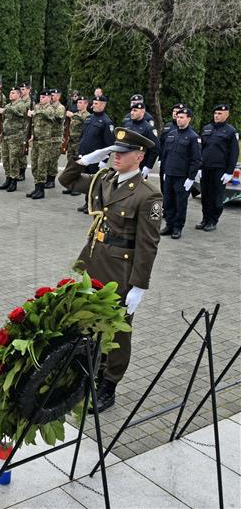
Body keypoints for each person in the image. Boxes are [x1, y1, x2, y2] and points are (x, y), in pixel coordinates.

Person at [59, 127, 162, 413]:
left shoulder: (147, 195)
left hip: (121, 271)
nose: (116, 156)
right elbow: (66, 179)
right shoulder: (104, 179)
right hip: (94, 261)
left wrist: (139, 285)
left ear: (139, 157)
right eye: (114, 151)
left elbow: (148, 244)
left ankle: (109, 384)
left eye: (123, 152)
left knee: (118, 331)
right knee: (89, 321)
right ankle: (89, 372)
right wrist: (86, 159)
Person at [159, 107, 202, 239]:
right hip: (170, 174)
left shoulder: (193, 137)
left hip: (182, 177)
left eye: (182, 117)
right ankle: (169, 225)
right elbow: (166, 154)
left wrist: (190, 178)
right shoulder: (172, 134)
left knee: (180, 203)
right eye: (177, 117)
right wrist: (165, 170)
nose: (179, 119)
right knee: (168, 202)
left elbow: (196, 160)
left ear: (189, 119)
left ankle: (178, 227)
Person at [197, 104, 239, 232]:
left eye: (220, 114)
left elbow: (234, 153)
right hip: (206, 168)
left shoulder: (231, 131)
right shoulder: (206, 129)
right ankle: (205, 219)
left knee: (216, 197)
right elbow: (200, 149)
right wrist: (199, 167)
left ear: (227, 115)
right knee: (205, 195)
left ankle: (213, 220)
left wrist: (229, 172)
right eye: (215, 113)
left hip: (220, 170)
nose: (216, 115)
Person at [74, 94, 114, 212]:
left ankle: (95, 205)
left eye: (96, 104)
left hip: (96, 159)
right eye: (93, 103)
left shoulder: (107, 122)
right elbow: (83, 137)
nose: (93, 106)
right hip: (86, 157)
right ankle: (87, 203)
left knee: (95, 183)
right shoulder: (89, 118)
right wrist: (80, 152)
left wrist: (104, 160)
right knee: (87, 182)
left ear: (103, 105)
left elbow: (109, 145)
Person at [0, 86, 29, 192]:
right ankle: (8, 178)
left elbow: (19, 113)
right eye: (10, 93)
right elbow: (5, 120)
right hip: (6, 136)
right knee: (5, 159)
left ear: (19, 95)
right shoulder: (8, 105)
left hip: (16, 137)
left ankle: (14, 181)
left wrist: (5, 109)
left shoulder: (21, 105)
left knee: (13, 159)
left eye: (13, 93)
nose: (11, 95)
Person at [25, 89, 56, 199]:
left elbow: (48, 115)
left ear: (49, 98)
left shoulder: (50, 109)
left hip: (45, 142)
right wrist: (32, 134)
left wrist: (34, 112)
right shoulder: (37, 107)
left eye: (44, 97)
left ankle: (41, 190)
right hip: (36, 141)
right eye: (41, 97)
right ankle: (36, 187)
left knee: (42, 165)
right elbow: (35, 124)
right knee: (34, 165)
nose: (41, 99)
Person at [122, 101, 160, 178]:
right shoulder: (127, 125)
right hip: (126, 163)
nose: (132, 113)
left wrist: (148, 166)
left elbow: (155, 148)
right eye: (131, 110)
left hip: (140, 165)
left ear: (142, 112)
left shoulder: (148, 128)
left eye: (135, 110)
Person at [61, 95, 89, 197]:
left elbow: (84, 123)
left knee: (78, 166)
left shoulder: (87, 115)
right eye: (77, 103)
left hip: (79, 143)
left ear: (86, 104)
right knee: (70, 164)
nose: (78, 104)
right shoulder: (75, 114)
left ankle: (78, 187)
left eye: (81, 103)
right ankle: (70, 186)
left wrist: (72, 116)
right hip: (71, 142)